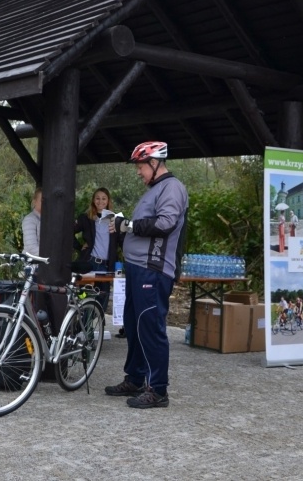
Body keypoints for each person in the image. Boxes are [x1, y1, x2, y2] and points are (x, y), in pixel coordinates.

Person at [104, 141, 188, 409]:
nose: (138, 172)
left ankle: (158, 389)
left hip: (153, 270)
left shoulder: (172, 188)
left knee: (150, 327)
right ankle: (136, 378)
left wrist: (125, 225)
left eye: (140, 166)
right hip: (137, 268)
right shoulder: (155, 189)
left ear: (154, 164)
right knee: (134, 324)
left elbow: (165, 224)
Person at [73, 187, 122, 312]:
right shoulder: (86, 218)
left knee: (102, 301)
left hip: (106, 266)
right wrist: (79, 246)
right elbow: (69, 231)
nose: (100, 201)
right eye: (97, 198)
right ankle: (83, 329)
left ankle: (95, 328)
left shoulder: (115, 219)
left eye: (104, 198)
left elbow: (124, 241)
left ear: (108, 201)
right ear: (93, 200)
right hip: (90, 263)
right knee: (85, 298)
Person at [21, 187, 42, 256]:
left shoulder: (51, 220)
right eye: (42, 200)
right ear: (35, 201)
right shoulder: (29, 220)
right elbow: (32, 248)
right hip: (33, 263)